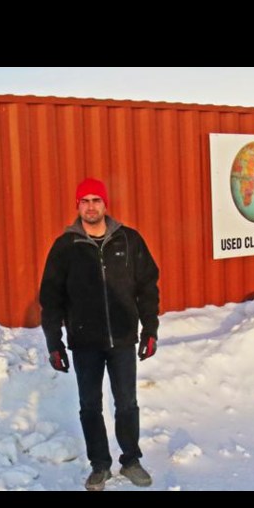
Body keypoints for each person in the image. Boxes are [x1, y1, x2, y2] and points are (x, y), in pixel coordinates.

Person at [39, 177, 160, 491]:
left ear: (106, 204)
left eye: (96, 200)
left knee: (127, 403)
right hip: (84, 342)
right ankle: (99, 466)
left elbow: (148, 288)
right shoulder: (66, 247)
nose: (91, 206)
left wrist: (150, 329)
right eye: (85, 201)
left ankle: (131, 460)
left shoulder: (129, 240)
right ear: (77, 206)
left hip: (121, 339)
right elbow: (50, 299)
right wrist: (54, 342)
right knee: (89, 405)